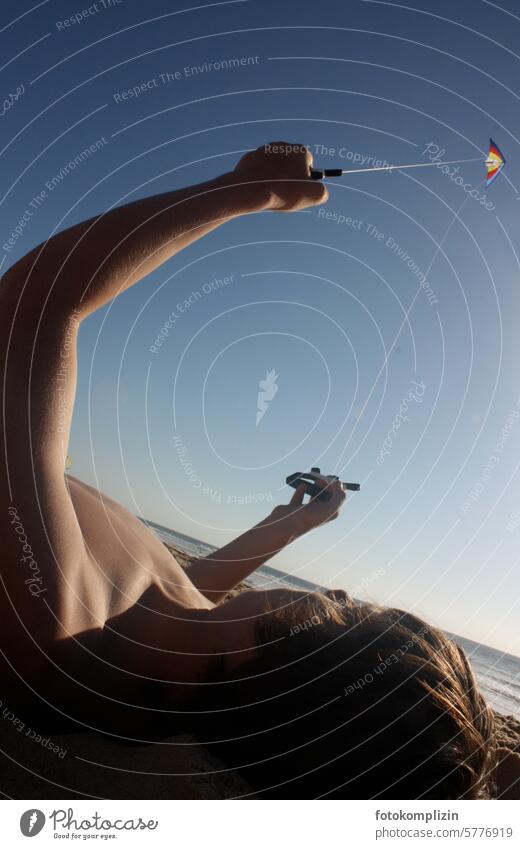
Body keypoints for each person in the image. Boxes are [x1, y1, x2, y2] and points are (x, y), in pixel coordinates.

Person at [0, 142, 494, 798]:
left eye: (346, 612)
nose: (340, 594)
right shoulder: (158, 686)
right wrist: (288, 526)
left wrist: (244, 190)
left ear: (298, 668)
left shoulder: (50, 612)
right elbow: (185, 599)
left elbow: (36, 306)